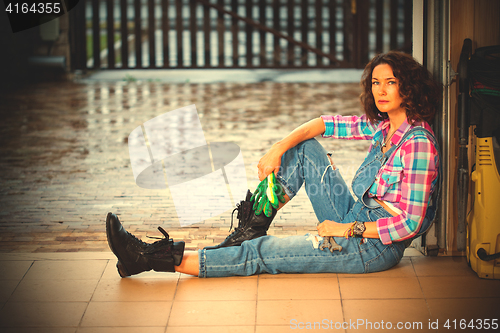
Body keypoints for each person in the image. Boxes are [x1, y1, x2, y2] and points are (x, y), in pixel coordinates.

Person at [106, 51, 441, 278]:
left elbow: (410, 224)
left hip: (372, 247)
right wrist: (277, 148)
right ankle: (248, 229)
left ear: (407, 87)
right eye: (375, 83)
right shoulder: (384, 125)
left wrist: (346, 230)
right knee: (304, 148)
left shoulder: (419, 143)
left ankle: (150, 258)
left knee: (263, 253)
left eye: (390, 82)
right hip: (355, 216)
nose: (380, 91)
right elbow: (324, 123)